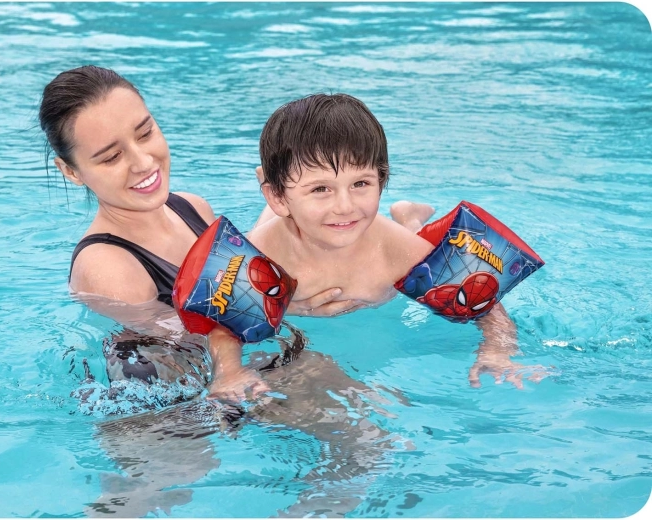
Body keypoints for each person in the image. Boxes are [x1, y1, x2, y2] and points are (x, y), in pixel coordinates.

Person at [38, 65, 357, 403]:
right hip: (169, 419)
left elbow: (241, 280)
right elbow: (193, 342)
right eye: (112, 157)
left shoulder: (192, 208)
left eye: (145, 133)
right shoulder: (108, 266)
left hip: (238, 380)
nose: (143, 162)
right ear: (71, 171)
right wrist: (288, 307)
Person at [246, 93, 547, 389]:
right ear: (277, 197)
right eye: (321, 188)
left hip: (358, 233)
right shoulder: (263, 252)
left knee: (414, 253)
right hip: (288, 231)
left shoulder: (396, 251)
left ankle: (409, 219)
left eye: (361, 183)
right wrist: (283, 310)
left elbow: (483, 303)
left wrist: (497, 350)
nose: (345, 206)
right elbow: (224, 317)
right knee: (271, 228)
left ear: (381, 180)